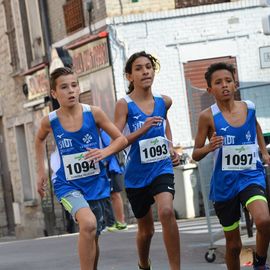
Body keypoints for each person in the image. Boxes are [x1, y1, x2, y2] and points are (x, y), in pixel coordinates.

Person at [35, 67, 127, 270]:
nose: (71, 91)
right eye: (64, 87)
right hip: (67, 185)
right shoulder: (50, 121)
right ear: (54, 93)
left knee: (93, 234)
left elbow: (121, 139)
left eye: (74, 85)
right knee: (88, 224)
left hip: (96, 183)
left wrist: (104, 152)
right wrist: (41, 172)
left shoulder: (93, 113)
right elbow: (39, 140)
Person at [192, 62, 270, 270]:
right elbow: (195, 154)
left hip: (250, 175)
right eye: (218, 82)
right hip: (224, 184)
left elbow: (256, 127)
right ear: (210, 90)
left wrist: (263, 152)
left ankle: (260, 264)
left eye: (228, 81)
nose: (224, 85)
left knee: (263, 220)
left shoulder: (249, 107)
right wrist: (209, 147)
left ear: (235, 84)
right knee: (234, 246)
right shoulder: (207, 116)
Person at [114, 51, 180, 270]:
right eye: (139, 68)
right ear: (129, 76)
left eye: (148, 67)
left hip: (161, 167)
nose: (145, 72)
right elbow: (118, 139)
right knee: (147, 231)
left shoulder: (164, 102)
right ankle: (144, 264)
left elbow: (165, 123)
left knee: (167, 211)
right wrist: (142, 130)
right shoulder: (124, 104)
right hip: (136, 175)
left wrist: (170, 146)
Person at [100, 129, 127, 231]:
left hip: (112, 168)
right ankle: (113, 222)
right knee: (111, 195)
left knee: (115, 195)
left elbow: (112, 148)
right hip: (109, 167)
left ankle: (121, 222)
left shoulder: (104, 132)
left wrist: (104, 161)